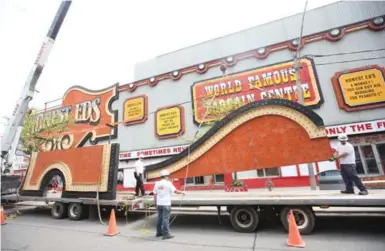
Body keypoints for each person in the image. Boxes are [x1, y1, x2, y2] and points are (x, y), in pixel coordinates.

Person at [153, 170, 185, 240]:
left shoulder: (157, 183)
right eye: (168, 176)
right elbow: (175, 191)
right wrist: (182, 192)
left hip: (159, 203)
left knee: (159, 218)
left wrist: (155, 203)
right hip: (166, 204)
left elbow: (155, 194)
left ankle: (159, 233)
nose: (169, 177)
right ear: (166, 176)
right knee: (165, 219)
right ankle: (166, 234)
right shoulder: (168, 183)